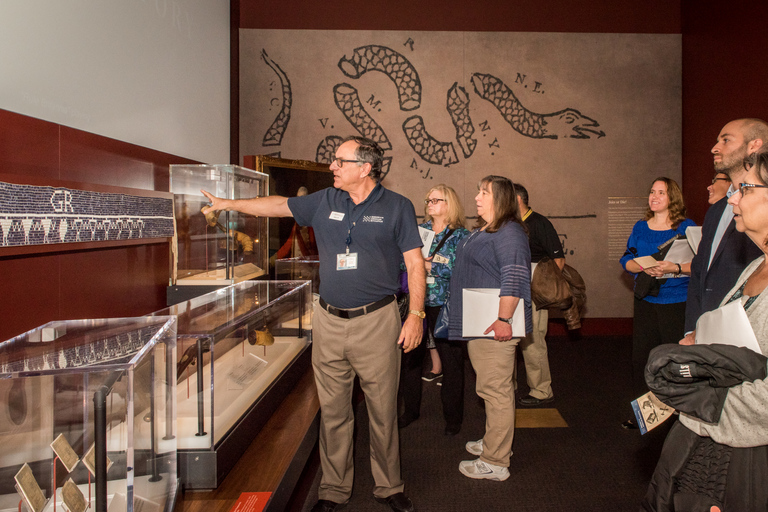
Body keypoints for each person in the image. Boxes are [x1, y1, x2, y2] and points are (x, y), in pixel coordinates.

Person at [202, 136, 424, 512]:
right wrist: (228, 204)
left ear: (365, 168)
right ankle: (334, 490)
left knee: (383, 410)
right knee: (334, 410)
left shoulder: (397, 207)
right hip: (328, 320)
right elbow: (276, 205)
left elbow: (416, 265)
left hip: (377, 321)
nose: (332, 166)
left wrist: (416, 315)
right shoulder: (325, 200)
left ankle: (389, 486)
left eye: (340, 161)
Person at [642, 149, 768, 511]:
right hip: (714, 448)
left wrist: (698, 398)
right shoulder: (754, 266)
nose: (732, 197)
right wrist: (703, 345)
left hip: (747, 461)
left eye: (744, 188)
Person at [447, 176, 532, 481]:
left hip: (494, 324)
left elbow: (514, 277)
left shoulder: (510, 232)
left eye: (484, 192)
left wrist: (504, 320)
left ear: (502, 199)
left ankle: (496, 461)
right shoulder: (488, 228)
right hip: (480, 322)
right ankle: (495, 441)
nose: (477, 197)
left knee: (496, 391)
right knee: (493, 387)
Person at [619, 177, 696, 428]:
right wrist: (643, 266)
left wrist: (672, 268)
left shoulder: (686, 227)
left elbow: (699, 264)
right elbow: (627, 259)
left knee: (674, 359)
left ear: (672, 197)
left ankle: (677, 412)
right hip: (646, 300)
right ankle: (645, 416)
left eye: (661, 193)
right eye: (652, 192)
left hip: (677, 301)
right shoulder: (641, 227)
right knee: (642, 358)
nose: (654, 197)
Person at [683, 119, 768, 342]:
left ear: (754, 145)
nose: (714, 147)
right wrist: (695, 329)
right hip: (713, 340)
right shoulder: (717, 210)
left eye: (726, 140)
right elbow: (700, 272)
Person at [399, 185, 469, 435]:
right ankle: (411, 411)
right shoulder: (419, 232)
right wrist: (417, 265)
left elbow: (463, 271)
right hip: (417, 305)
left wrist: (431, 267)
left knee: (452, 363)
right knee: (410, 360)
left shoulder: (462, 236)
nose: (429, 203)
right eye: (427, 200)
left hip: (445, 305)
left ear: (449, 204)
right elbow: (401, 261)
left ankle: (453, 419)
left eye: (435, 200)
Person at [512, 183, 563, 407]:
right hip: (510, 289)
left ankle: (542, 390)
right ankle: (508, 385)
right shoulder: (508, 224)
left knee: (532, 341)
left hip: (534, 292)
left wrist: (541, 289)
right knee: (508, 338)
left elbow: (558, 261)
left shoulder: (540, 223)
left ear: (518, 200)